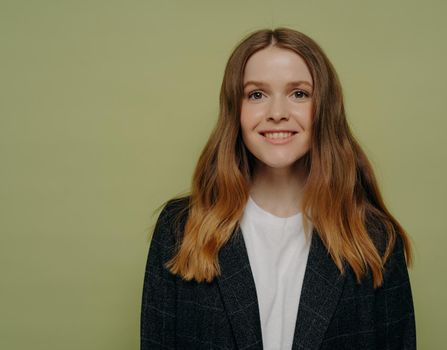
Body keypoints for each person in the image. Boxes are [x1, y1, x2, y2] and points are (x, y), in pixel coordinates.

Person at [140, 27, 416, 350]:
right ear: (236, 111)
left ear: (323, 109)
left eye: (299, 93)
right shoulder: (179, 230)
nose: (277, 113)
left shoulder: (375, 240)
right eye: (257, 94)